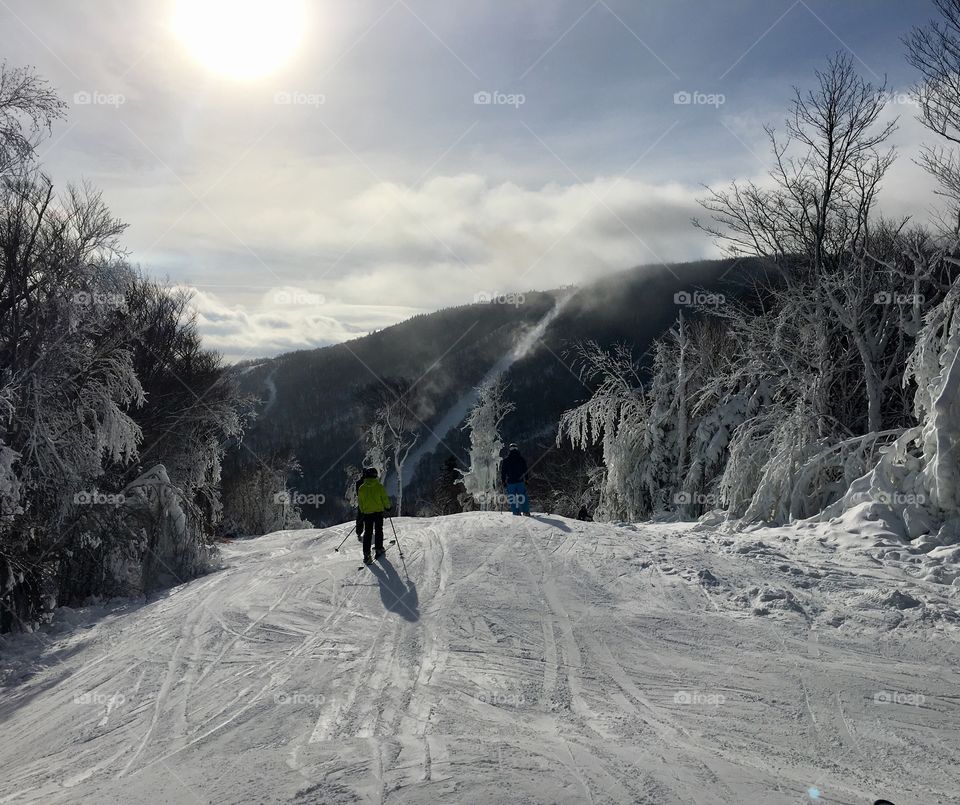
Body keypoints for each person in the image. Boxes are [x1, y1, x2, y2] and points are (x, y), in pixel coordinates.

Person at [357, 467, 392, 564]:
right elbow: (384, 498)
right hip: (378, 513)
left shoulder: (362, 488)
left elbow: (360, 502)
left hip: (367, 514)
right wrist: (388, 507)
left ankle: (366, 554)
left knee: (367, 533)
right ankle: (378, 549)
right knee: (378, 530)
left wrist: (363, 511)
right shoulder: (379, 486)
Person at [500, 443, 531, 516]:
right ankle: (526, 511)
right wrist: (527, 479)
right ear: (517, 449)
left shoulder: (506, 460)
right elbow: (525, 470)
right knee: (523, 496)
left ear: (510, 449)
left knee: (512, 497)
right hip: (520, 481)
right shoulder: (521, 459)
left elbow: (503, 472)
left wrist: (503, 481)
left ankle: (516, 512)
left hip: (510, 482)